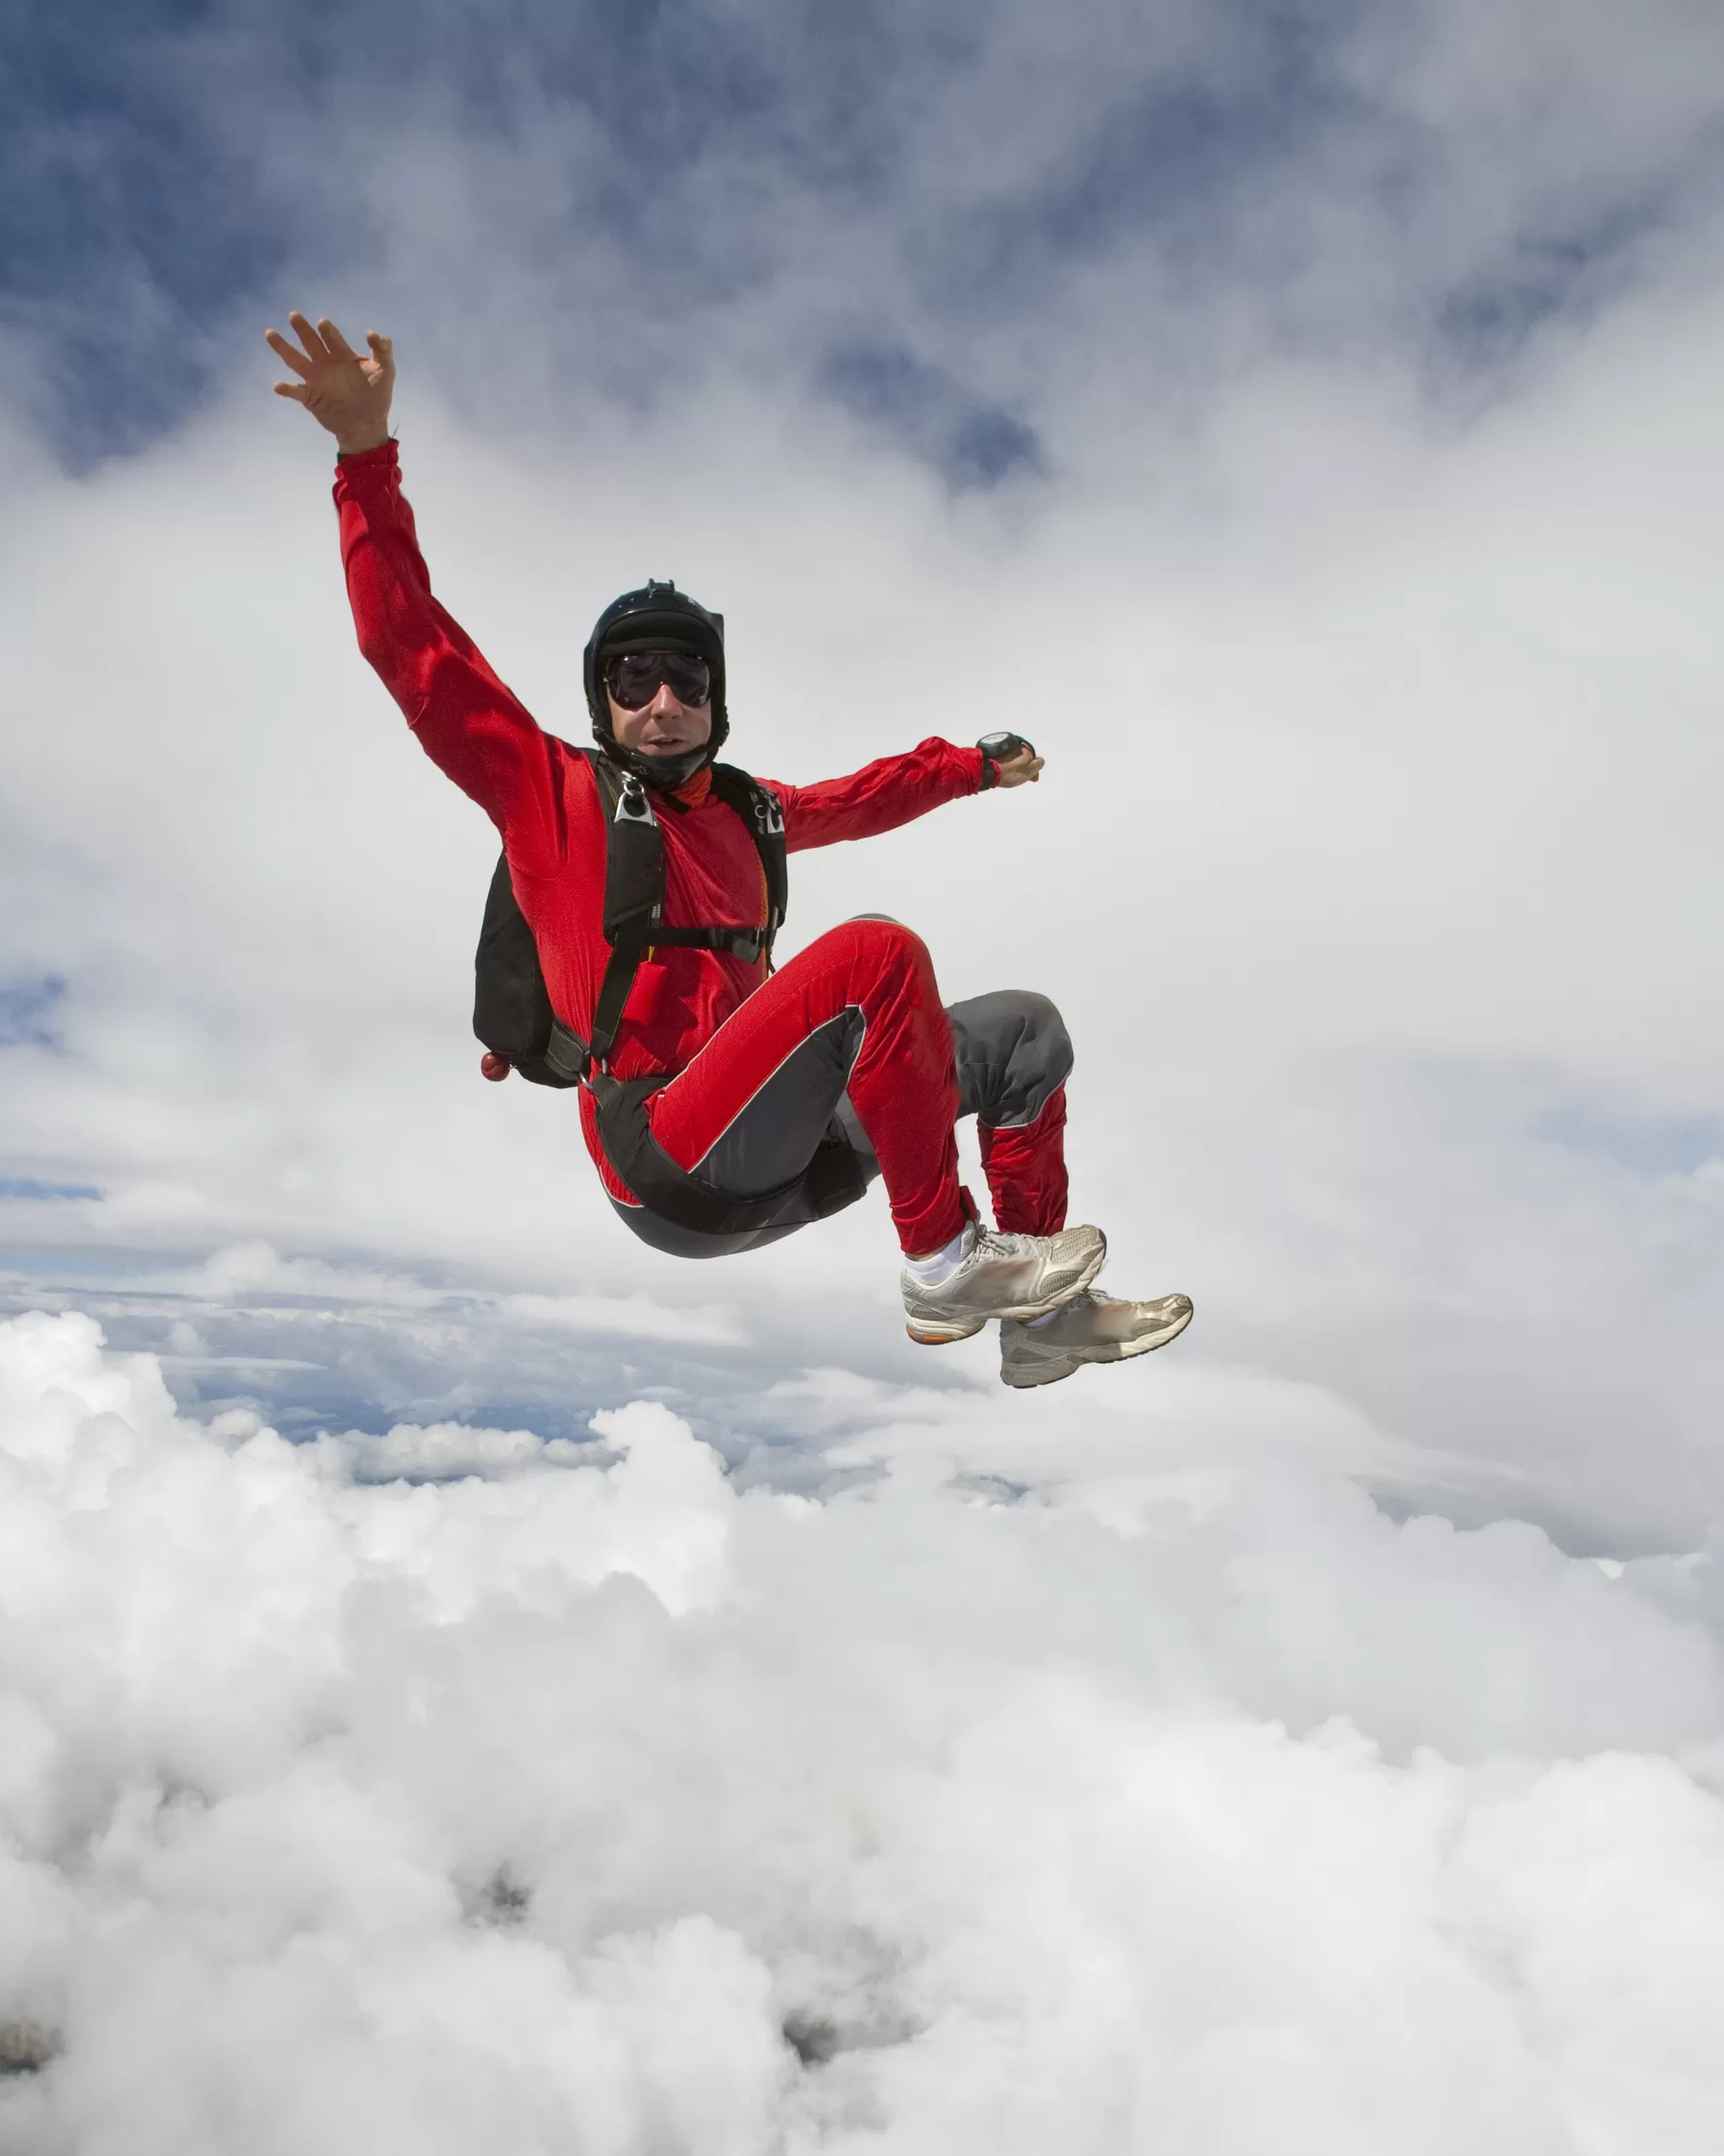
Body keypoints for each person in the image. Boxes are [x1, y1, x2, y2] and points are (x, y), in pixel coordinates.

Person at [267, 313, 1189, 1387]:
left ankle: (1040, 1320)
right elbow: (410, 648)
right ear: (601, 704)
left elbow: (859, 798)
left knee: (1025, 1029)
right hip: (667, 1157)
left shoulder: (750, 813)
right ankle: (943, 1262)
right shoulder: (549, 791)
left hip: (784, 1147)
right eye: (632, 679)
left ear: (716, 701)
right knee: (874, 956)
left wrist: (971, 766)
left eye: (687, 680)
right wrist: (364, 458)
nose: (662, 702)